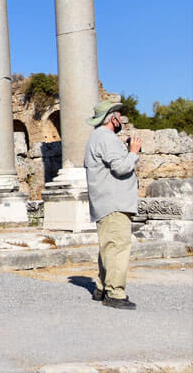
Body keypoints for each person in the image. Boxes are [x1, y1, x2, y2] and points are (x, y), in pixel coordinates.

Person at [84, 99, 142, 310]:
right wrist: (133, 152)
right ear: (112, 118)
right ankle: (115, 294)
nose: (121, 120)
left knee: (109, 246)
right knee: (118, 246)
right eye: (118, 116)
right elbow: (120, 168)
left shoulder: (96, 137)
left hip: (106, 202)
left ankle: (101, 287)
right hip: (114, 203)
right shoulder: (106, 138)